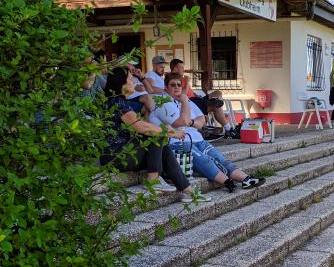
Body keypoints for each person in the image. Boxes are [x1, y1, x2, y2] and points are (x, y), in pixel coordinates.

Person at [101, 67, 209, 200]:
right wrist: (170, 132)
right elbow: (141, 127)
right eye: (130, 79)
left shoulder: (119, 101)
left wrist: (165, 132)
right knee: (156, 134)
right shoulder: (117, 102)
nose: (134, 82)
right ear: (121, 83)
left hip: (123, 155)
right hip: (115, 158)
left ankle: (186, 189)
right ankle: (153, 181)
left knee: (162, 146)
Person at [150, 74, 266, 192]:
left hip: (197, 138)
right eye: (172, 85)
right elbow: (181, 122)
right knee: (204, 160)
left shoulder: (185, 100)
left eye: (179, 85)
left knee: (220, 158)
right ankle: (227, 182)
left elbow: (202, 121)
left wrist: (191, 122)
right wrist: (185, 102)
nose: (176, 87)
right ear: (166, 87)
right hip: (177, 142)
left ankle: (246, 179)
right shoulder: (163, 102)